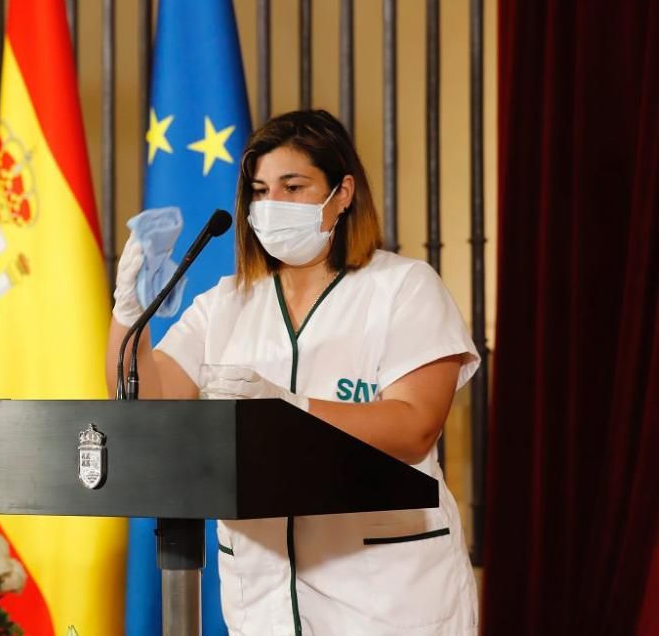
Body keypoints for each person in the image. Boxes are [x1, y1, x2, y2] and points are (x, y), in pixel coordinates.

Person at [107, 109, 479, 635]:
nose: (271, 205)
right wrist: (128, 314)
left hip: (387, 601)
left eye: (293, 186)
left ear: (343, 192)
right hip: (263, 604)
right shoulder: (227, 302)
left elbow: (415, 427)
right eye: (259, 191)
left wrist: (288, 410)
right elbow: (147, 407)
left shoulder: (404, 287)